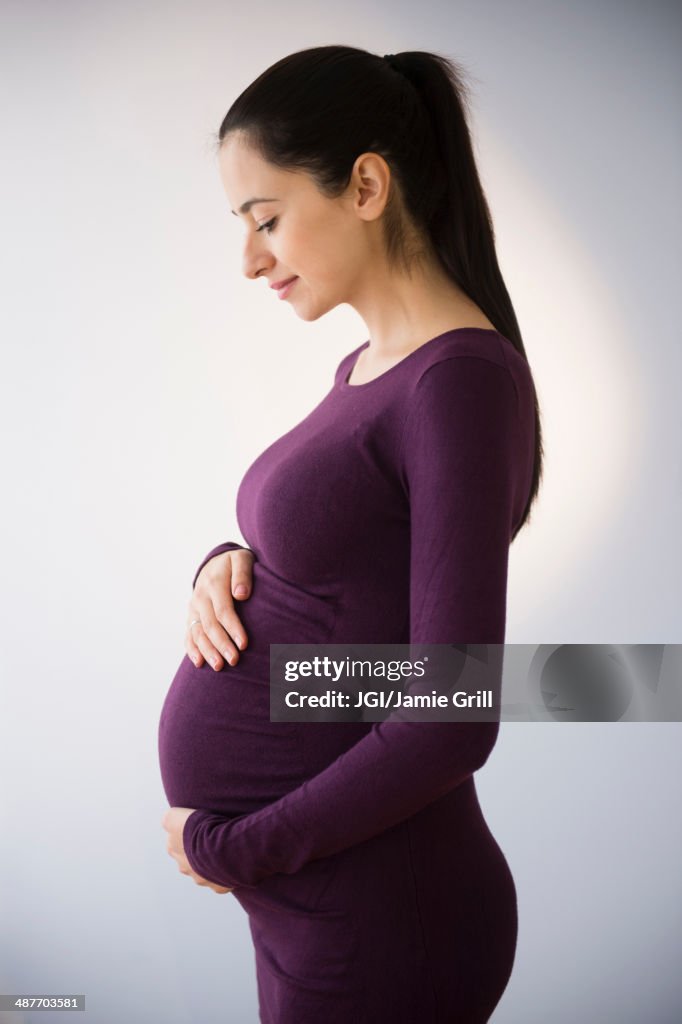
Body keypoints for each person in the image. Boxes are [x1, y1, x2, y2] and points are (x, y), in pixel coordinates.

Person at [159, 44, 544, 1023]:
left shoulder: (456, 381)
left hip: (380, 913)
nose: (249, 259)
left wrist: (231, 845)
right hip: (324, 901)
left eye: (267, 219)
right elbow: (350, 591)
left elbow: (452, 707)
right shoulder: (375, 364)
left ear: (366, 184)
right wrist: (227, 565)